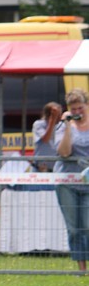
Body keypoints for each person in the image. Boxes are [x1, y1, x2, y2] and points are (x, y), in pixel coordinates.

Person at [55, 88, 89, 272]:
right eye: (73, 109)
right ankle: (81, 268)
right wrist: (68, 126)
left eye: (80, 108)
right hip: (67, 183)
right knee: (74, 228)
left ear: (87, 105)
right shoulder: (63, 127)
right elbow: (64, 152)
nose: (77, 112)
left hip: (88, 183)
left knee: (87, 225)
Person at [31, 101, 62, 173]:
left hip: (56, 168)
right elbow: (46, 139)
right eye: (58, 115)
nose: (60, 117)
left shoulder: (60, 125)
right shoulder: (39, 124)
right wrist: (52, 120)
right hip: (40, 169)